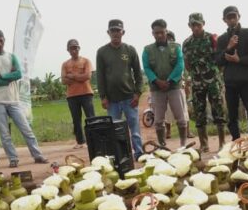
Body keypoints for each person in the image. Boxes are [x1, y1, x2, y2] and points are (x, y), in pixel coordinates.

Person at [0, 28, 48, 167]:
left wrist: (3, 76)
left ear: (4, 40)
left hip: (13, 100)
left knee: (26, 129)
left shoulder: (11, 57)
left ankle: (38, 155)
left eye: (1, 40)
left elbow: (19, 74)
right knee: (5, 134)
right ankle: (13, 159)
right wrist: (9, 78)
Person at [96, 19, 144, 158]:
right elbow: (100, 76)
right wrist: (103, 97)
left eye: (118, 30)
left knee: (134, 129)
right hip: (112, 100)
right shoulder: (102, 52)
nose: (115, 33)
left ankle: (139, 153)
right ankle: (119, 155)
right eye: (113, 30)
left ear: (123, 32)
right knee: (114, 130)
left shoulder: (130, 50)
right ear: (108, 32)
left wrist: (138, 93)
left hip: (129, 98)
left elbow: (138, 74)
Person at [215, 6, 248, 142]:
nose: (231, 19)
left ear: (239, 16)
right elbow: (217, 60)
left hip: (246, 80)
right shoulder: (222, 39)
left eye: (233, 16)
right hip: (230, 82)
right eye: (228, 17)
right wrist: (228, 48)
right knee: (232, 114)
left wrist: (239, 60)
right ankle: (236, 140)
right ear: (224, 20)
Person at [183, 12, 227, 151]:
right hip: (197, 82)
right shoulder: (187, 43)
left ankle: (222, 143)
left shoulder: (212, 39)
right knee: (199, 112)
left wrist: (215, 74)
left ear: (203, 24)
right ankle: (204, 144)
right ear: (189, 25)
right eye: (193, 25)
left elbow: (220, 60)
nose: (196, 27)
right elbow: (187, 64)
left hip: (213, 80)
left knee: (218, 111)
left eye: (198, 24)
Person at [143, 19, 190, 147]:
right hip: (157, 89)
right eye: (156, 33)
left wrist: (169, 80)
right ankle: (163, 146)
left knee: (181, 118)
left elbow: (180, 65)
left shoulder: (176, 47)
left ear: (166, 31)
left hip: (174, 87)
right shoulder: (147, 50)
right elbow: (146, 67)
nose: (159, 35)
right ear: (152, 33)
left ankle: (183, 145)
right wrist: (157, 81)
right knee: (158, 120)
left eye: (161, 32)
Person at [61, 39, 95, 149]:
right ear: (68, 50)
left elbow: (87, 76)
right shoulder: (65, 64)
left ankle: (94, 140)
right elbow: (63, 80)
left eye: (76, 47)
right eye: (72, 48)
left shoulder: (86, 61)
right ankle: (80, 141)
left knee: (90, 118)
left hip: (86, 93)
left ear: (79, 48)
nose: (74, 50)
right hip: (72, 96)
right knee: (76, 120)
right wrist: (79, 77)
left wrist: (72, 76)